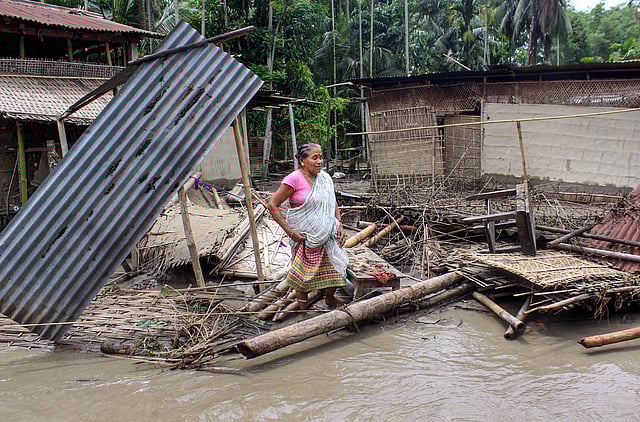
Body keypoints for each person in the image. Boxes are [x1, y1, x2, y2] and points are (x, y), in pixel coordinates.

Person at [267, 143, 348, 309]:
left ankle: (330, 299)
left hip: (328, 235)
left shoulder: (325, 179)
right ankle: (303, 312)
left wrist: (339, 224)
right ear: (303, 161)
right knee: (302, 278)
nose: (319, 161)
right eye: (314, 158)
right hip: (305, 238)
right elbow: (272, 205)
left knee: (336, 270)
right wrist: (290, 232)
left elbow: (331, 202)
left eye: (321, 157)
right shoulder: (293, 179)